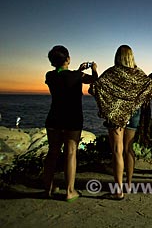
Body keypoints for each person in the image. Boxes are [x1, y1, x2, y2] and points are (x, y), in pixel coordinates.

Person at [90, 45, 152, 200]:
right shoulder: (138, 73)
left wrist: (94, 71)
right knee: (128, 149)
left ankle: (118, 190)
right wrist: (137, 100)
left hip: (116, 115)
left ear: (117, 56)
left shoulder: (112, 72)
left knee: (117, 151)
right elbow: (151, 88)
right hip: (133, 113)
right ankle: (128, 184)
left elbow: (96, 87)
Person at [44, 45, 98, 202]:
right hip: (72, 118)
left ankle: (48, 188)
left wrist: (76, 70)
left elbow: (63, 76)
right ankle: (69, 191)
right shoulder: (77, 76)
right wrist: (93, 68)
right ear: (67, 58)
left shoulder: (50, 76)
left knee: (52, 152)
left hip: (54, 118)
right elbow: (95, 80)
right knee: (71, 152)